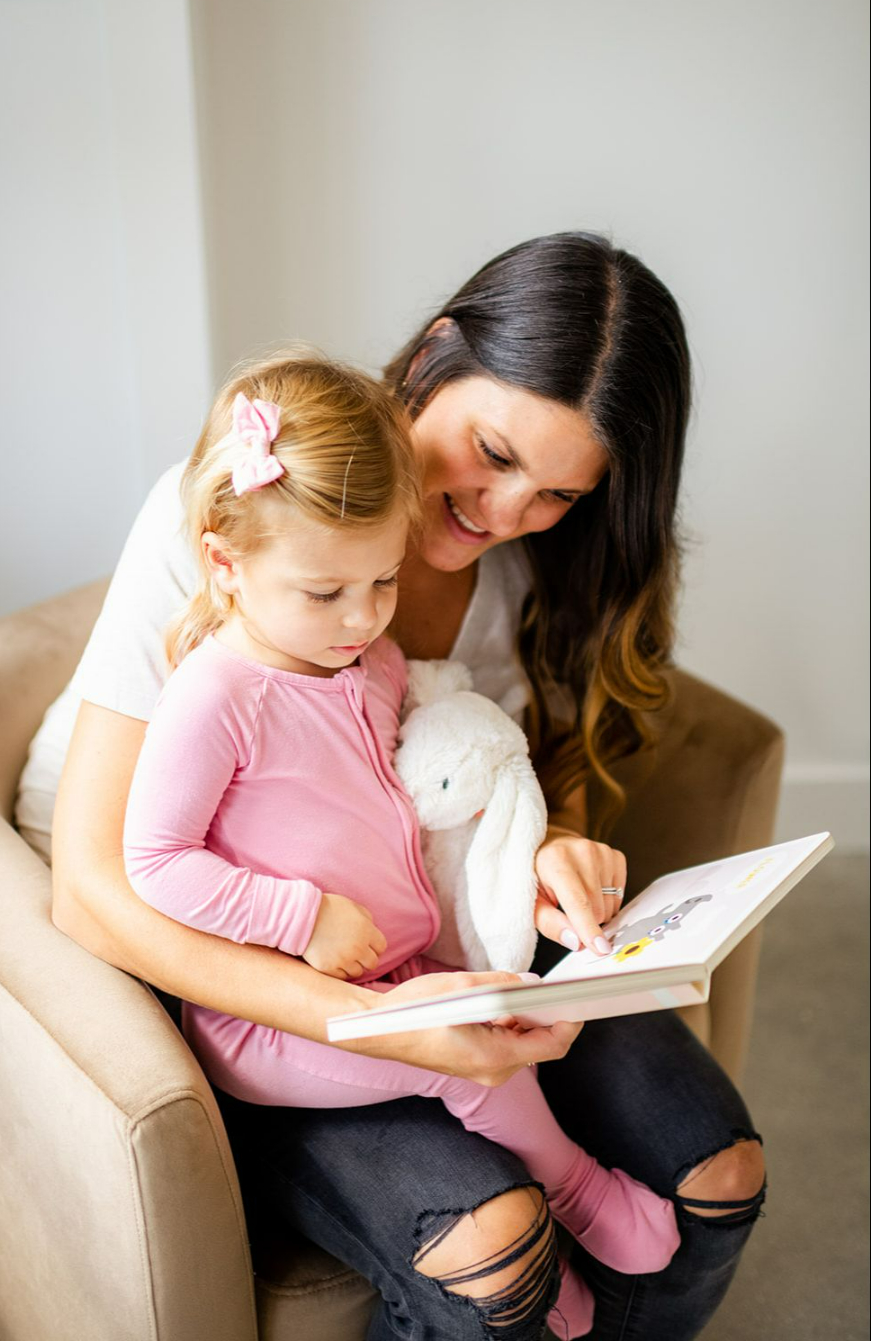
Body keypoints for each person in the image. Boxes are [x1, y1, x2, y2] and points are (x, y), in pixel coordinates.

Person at [38, 233, 766, 1341]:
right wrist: (375, 1021)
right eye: (491, 451)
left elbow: (476, 767)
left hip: (426, 940)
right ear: (432, 357)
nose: (503, 513)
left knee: (717, 1177)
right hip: (245, 970)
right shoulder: (240, 520)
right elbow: (100, 886)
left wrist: (546, 846)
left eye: (556, 493)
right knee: (494, 1258)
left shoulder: (520, 579)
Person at [120, 354, 682, 1338]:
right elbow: (154, 861)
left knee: (506, 1012)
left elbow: (430, 752)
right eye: (325, 591)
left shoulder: (368, 662)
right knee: (462, 1060)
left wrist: (523, 825)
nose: (364, 616)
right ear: (225, 564)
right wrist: (301, 918)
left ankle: (557, 1198)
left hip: (393, 964)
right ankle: (574, 1189)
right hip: (272, 1018)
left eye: (383, 580)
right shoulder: (217, 695)